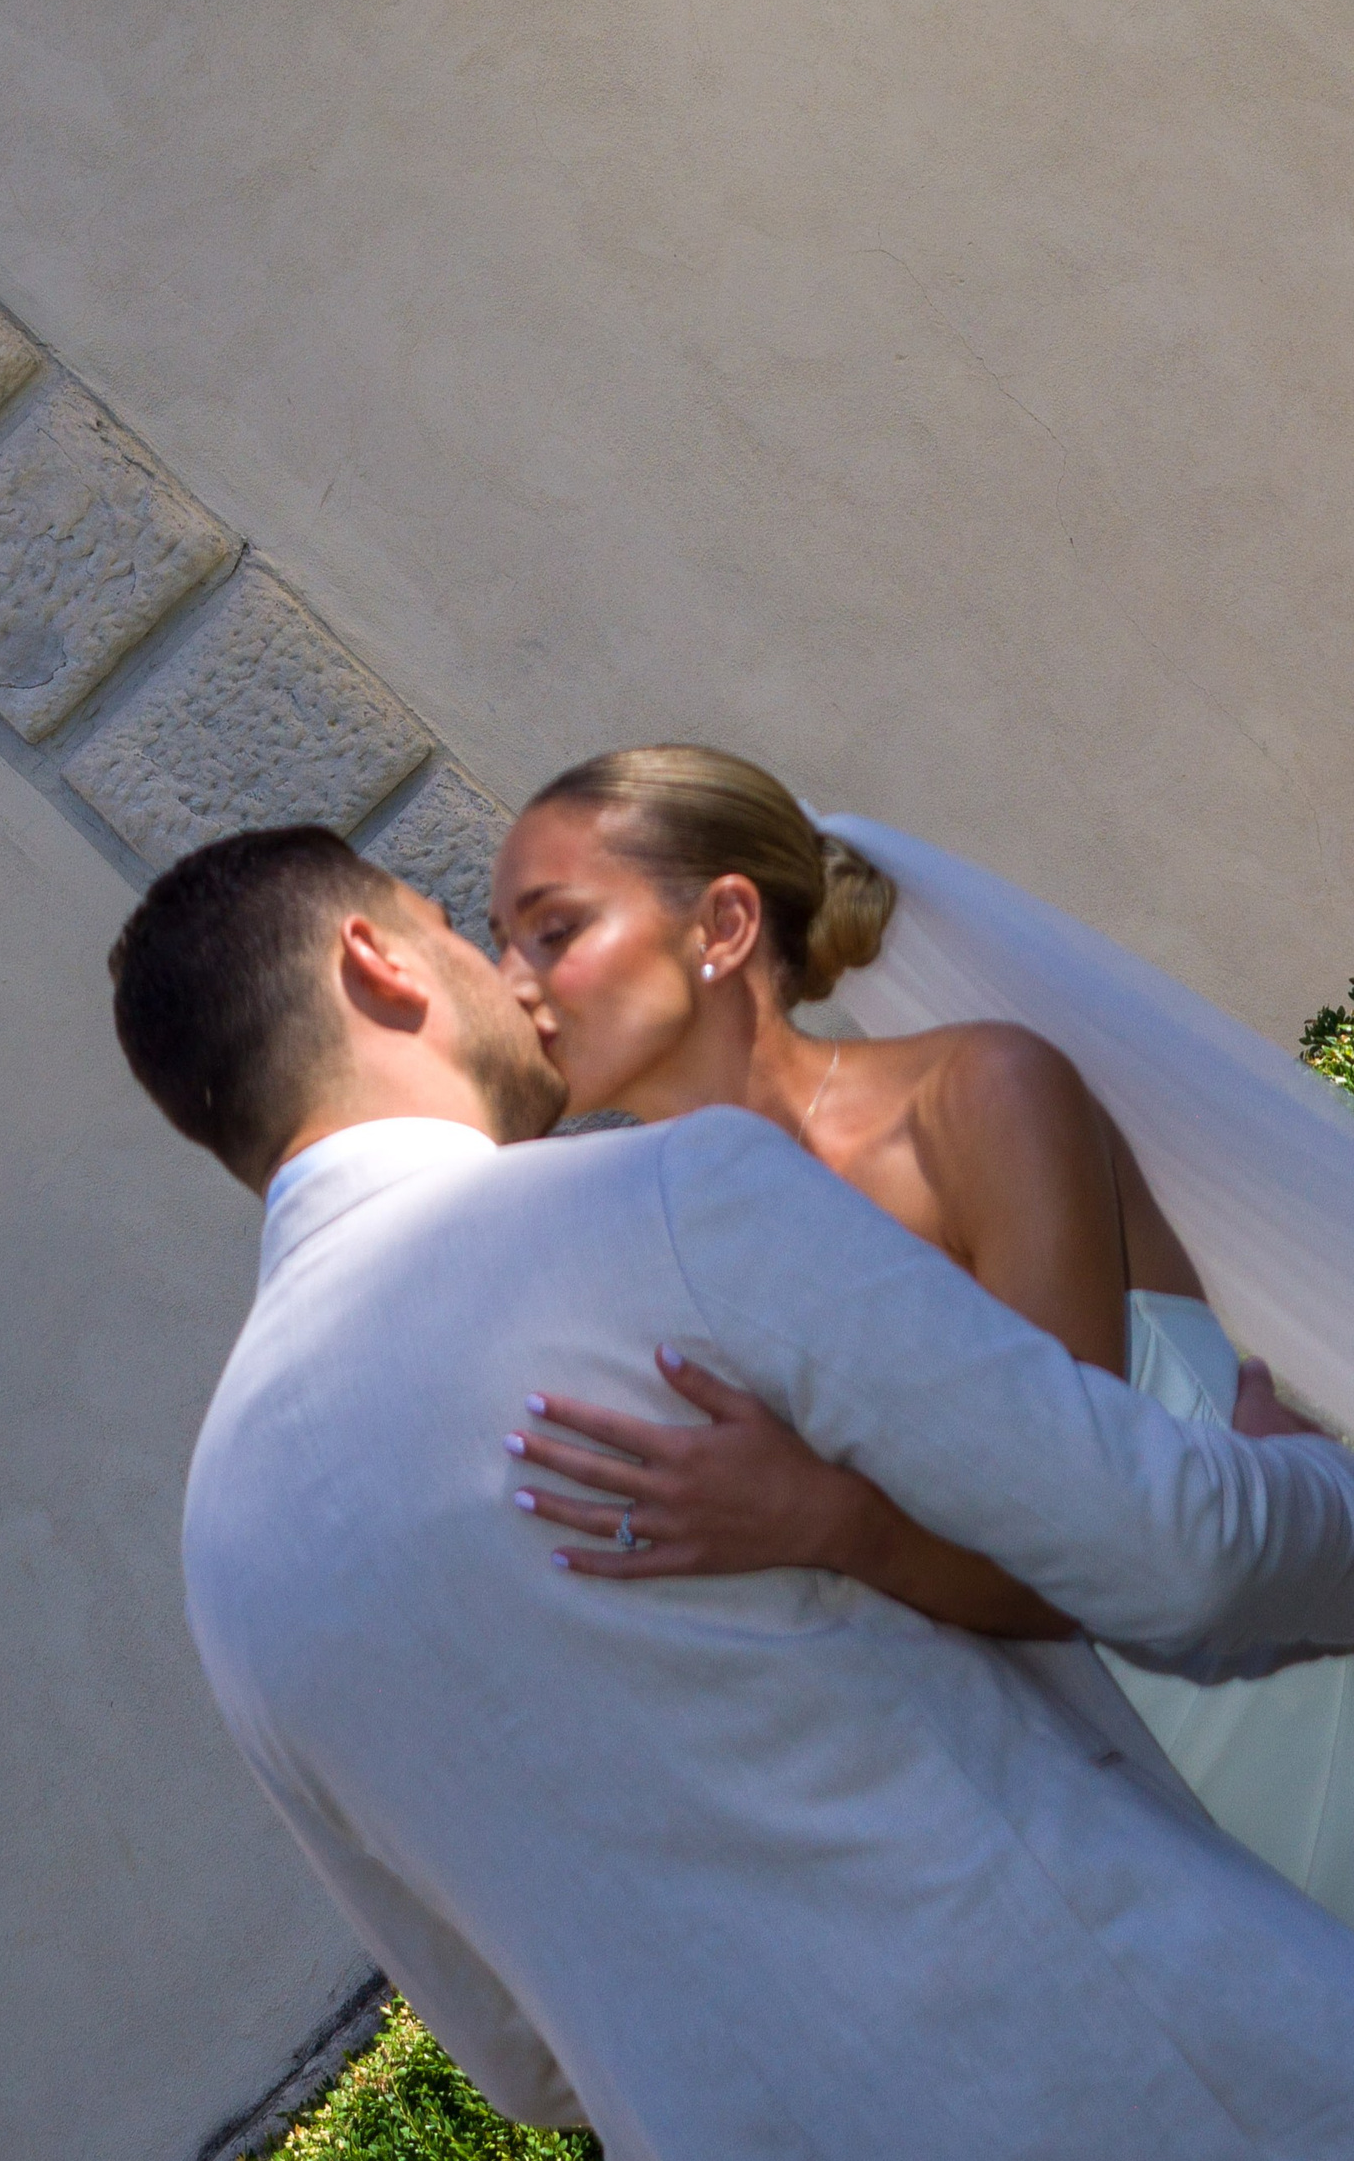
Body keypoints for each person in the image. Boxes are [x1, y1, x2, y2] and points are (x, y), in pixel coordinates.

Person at [108, 821, 1354, 2161]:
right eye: (451, 924)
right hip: (1185, 2135)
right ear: (374, 966)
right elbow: (1168, 1552)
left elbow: (513, 2059)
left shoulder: (223, 1545)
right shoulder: (655, 1207)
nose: (507, 975)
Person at [489, 745, 1354, 1924]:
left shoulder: (976, 1096)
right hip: (1114, 1840)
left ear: (724, 923)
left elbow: (1083, 1530)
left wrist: (824, 1519)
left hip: (1294, 1697)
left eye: (550, 930)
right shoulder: (652, 1274)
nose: (512, 983)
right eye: (500, 941)